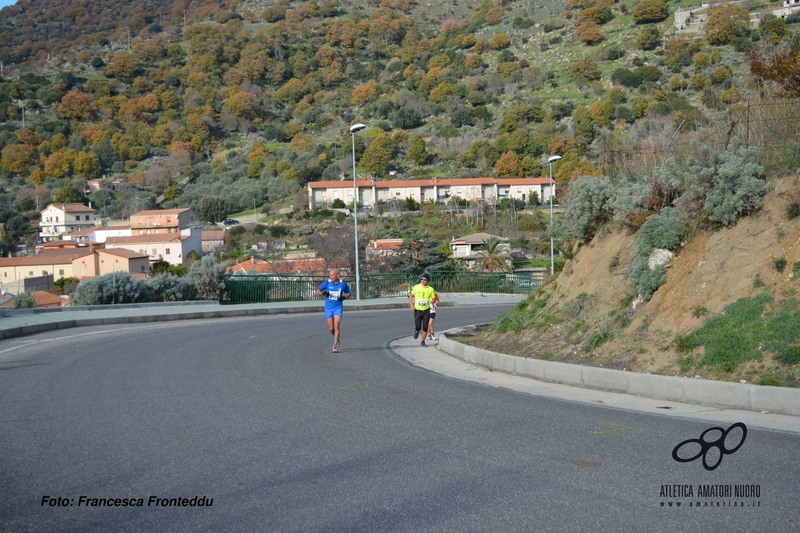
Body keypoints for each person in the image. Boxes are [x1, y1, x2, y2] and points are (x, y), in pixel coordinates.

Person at [316, 268, 351, 353]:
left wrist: (343, 297)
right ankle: (336, 337)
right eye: (330, 275)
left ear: (337, 275)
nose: (331, 277)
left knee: (337, 325)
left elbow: (349, 293)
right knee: (331, 328)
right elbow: (317, 291)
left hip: (338, 307)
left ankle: (335, 346)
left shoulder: (342, 284)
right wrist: (323, 293)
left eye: (332, 275)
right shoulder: (327, 283)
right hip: (328, 307)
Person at [409, 273, 436, 347]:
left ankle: (423, 341)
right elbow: (411, 295)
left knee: (425, 326)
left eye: (425, 280)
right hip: (417, 310)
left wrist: (433, 301)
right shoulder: (416, 287)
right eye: (422, 279)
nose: (423, 281)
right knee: (418, 326)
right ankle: (416, 331)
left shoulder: (431, 289)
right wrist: (411, 305)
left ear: (428, 281)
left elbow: (434, 297)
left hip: (426, 310)